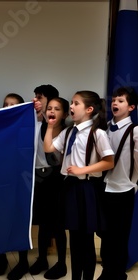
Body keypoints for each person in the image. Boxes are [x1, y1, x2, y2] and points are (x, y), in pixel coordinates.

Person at [44, 90, 114, 280]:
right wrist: (50, 127)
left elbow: (109, 161)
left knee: (86, 240)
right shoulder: (68, 132)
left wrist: (83, 170)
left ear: (89, 109)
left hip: (87, 189)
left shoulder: (97, 134)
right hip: (70, 188)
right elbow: (49, 148)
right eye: (72, 103)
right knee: (74, 240)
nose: (72, 107)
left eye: (76, 103)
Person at [6, 85, 60, 280]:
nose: (35, 99)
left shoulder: (55, 123)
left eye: (39, 97)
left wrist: (46, 117)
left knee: (47, 221)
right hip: (28, 176)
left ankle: (43, 258)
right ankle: (22, 262)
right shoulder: (28, 119)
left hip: (49, 176)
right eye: (35, 96)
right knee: (24, 218)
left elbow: (55, 156)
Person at [98, 87, 138, 280]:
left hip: (123, 190)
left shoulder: (135, 131)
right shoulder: (105, 127)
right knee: (105, 235)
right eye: (114, 100)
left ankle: (117, 274)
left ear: (131, 107)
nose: (115, 103)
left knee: (120, 237)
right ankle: (107, 271)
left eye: (121, 100)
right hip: (105, 188)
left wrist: (133, 184)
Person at [29, 97, 69, 280]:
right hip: (42, 180)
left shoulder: (68, 132)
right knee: (44, 224)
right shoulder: (41, 127)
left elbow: (54, 159)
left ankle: (61, 264)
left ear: (65, 114)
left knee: (58, 225)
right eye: (50, 108)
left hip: (58, 180)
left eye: (57, 109)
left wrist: (50, 127)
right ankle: (43, 259)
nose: (52, 111)